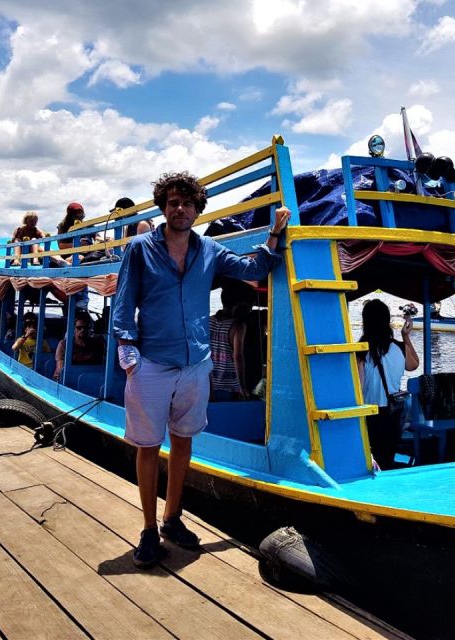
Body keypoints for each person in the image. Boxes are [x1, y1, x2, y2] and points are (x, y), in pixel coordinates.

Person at [113, 170, 290, 569]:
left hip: (195, 364)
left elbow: (253, 269)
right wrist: (128, 352)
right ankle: (146, 530)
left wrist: (275, 234)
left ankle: (171, 519)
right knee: (147, 446)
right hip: (152, 363)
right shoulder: (141, 248)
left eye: (188, 203)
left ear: (197, 209)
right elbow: (123, 304)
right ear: (164, 207)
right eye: (173, 202)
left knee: (184, 441)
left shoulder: (208, 250)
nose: (180, 209)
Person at [356, 299, 419, 470]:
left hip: (371, 412)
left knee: (372, 458)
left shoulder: (361, 351)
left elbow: (358, 388)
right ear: (387, 321)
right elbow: (413, 365)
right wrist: (406, 337)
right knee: (387, 456)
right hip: (395, 411)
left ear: (365, 322)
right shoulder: (398, 347)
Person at [209, 282, 257, 400]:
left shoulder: (208, 321)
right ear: (237, 305)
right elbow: (238, 357)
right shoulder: (238, 326)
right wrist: (242, 386)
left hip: (208, 384)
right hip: (229, 386)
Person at [53, 310, 105, 381]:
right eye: (79, 328)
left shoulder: (97, 344)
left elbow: (100, 367)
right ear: (74, 329)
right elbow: (60, 369)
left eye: (85, 327)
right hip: (70, 379)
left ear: (89, 328)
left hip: (91, 379)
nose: (82, 330)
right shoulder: (64, 344)